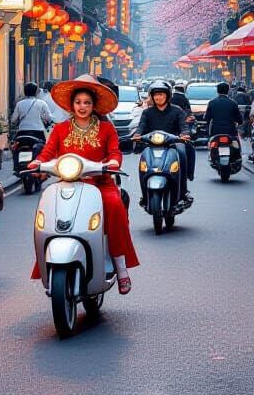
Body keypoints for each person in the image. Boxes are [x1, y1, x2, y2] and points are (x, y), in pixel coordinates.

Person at [30, 74, 139, 293]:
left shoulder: (106, 129)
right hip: (68, 183)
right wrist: (38, 162)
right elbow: (49, 151)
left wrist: (113, 162)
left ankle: (120, 267)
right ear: (72, 104)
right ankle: (47, 261)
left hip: (100, 183)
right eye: (78, 102)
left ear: (94, 106)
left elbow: (114, 152)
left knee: (115, 206)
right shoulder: (60, 129)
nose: (82, 106)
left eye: (87, 103)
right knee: (46, 214)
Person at [134, 80, 193, 204]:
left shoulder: (177, 111)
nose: (158, 97)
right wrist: (138, 134)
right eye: (156, 95)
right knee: (143, 163)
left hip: (173, 144)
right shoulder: (147, 112)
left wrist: (185, 134)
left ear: (167, 96)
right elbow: (141, 126)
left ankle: (183, 191)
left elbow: (184, 126)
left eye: (161, 94)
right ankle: (145, 196)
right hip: (151, 146)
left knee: (183, 151)